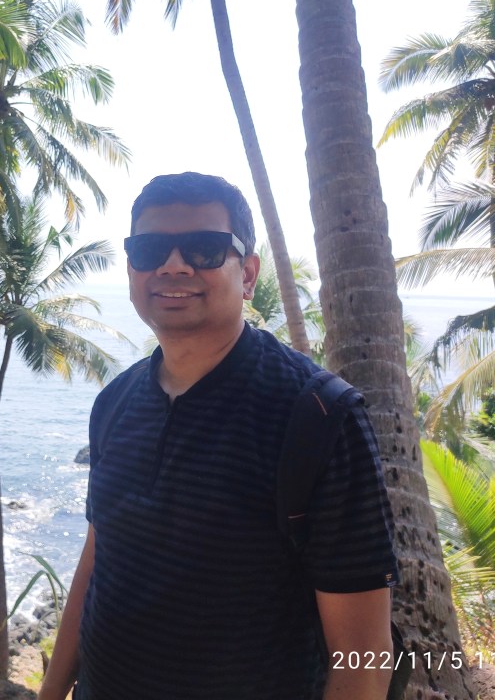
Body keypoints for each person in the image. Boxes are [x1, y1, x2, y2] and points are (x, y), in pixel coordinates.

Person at [38, 173, 399, 700]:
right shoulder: (114, 402)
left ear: (247, 274)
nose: (174, 265)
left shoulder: (318, 416)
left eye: (205, 249)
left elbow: (364, 656)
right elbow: (98, 559)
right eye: (150, 250)